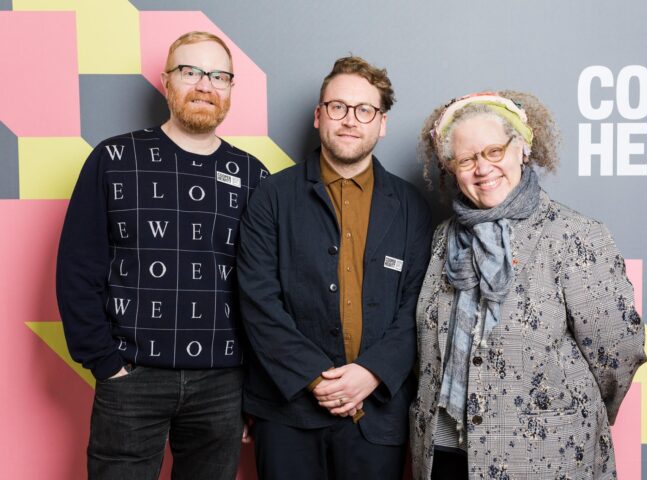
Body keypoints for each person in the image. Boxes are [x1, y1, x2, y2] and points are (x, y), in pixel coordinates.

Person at [56, 31, 267, 479]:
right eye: (190, 72)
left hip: (223, 382)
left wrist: (253, 385)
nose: (205, 85)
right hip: (132, 376)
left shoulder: (253, 175)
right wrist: (107, 364)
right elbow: (78, 268)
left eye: (219, 76)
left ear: (230, 89)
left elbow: (263, 287)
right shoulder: (113, 158)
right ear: (166, 81)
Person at [409, 91, 647, 479]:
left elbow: (617, 354)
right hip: (444, 452)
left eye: (494, 151)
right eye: (467, 159)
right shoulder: (442, 240)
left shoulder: (574, 236)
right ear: (451, 168)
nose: (482, 168)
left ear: (521, 148)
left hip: (545, 457)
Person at [237, 56, 432, 480]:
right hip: (287, 413)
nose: (350, 120)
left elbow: (419, 308)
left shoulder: (411, 207)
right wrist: (315, 379)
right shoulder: (270, 197)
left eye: (365, 110)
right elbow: (258, 302)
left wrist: (370, 373)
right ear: (318, 115)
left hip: (377, 415)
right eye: (338, 107)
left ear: (382, 123)